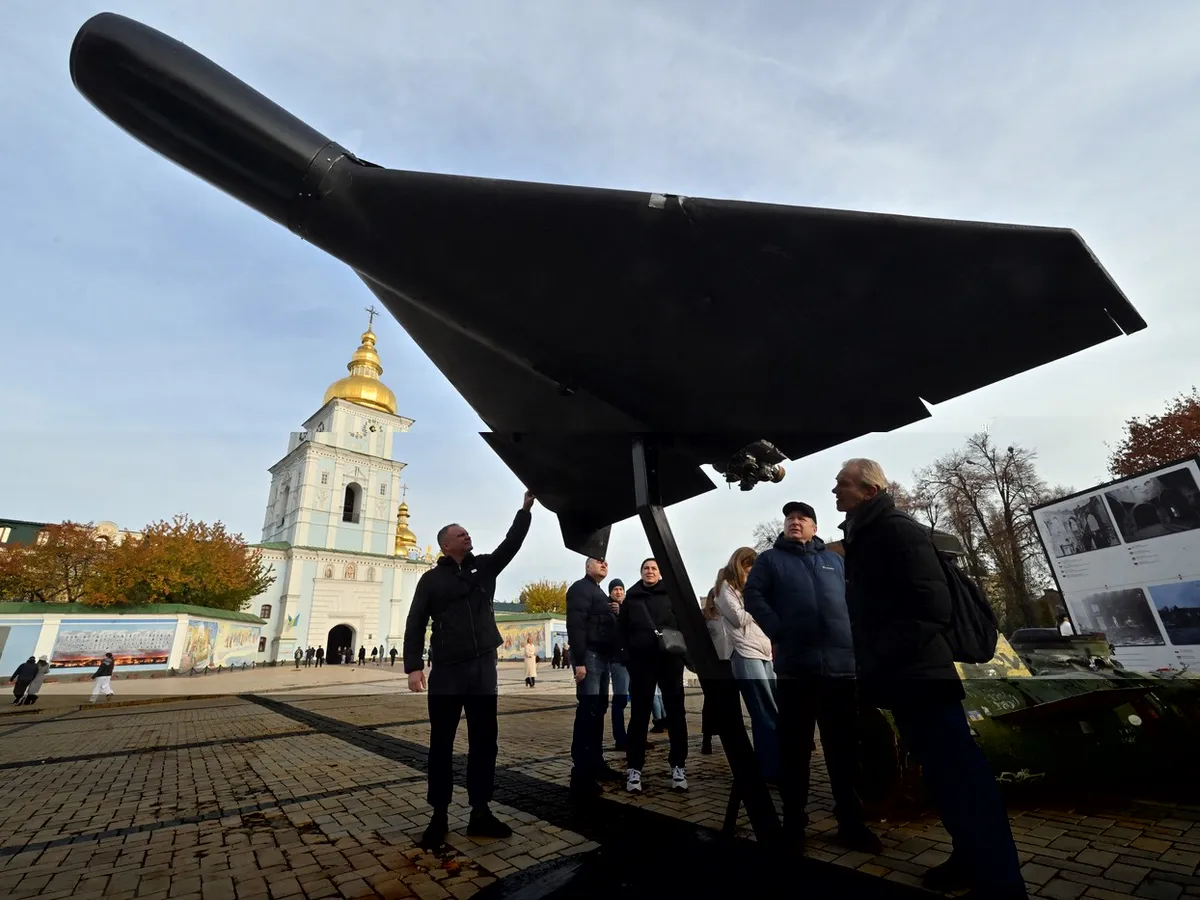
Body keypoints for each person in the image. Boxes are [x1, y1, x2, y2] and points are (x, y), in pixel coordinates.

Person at [834, 458, 1026, 900]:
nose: (835, 491)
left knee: (963, 779)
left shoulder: (896, 530)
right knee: (943, 779)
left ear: (869, 490)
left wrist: (884, 654)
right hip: (906, 676)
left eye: (841, 484)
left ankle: (1001, 884)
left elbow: (930, 604)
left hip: (923, 677)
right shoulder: (867, 533)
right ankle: (969, 859)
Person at [743, 503, 880, 854]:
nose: (794, 522)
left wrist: (856, 641)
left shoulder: (835, 561)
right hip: (796, 670)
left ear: (814, 527)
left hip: (840, 670)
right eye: (789, 518)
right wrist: (777, 630)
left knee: (844, 751)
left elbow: (855, 601)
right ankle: (793, 823)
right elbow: (753, 595)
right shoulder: (770, 560)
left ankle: (850, 822)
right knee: (795, 750)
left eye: (801, 518)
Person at [403, 490, 536, 849]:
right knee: (441, 744)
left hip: (481, 669)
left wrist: (524, 510)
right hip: (446, 669)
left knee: (484, 742)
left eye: (467, 533)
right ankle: (439, 815)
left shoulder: (485, 567)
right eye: (460, 534)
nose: (467, 537)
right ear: (446, 545)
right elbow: (415, 622)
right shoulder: (431, 580)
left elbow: (512, 544)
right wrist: (414, 667)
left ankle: (481, 811)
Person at [619, 558, 689, 794]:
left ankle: (678, 765)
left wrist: (685, 657)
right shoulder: (632, 597)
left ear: (660, 573)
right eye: (646, 568)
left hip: (670, 661)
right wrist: (627, 658)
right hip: (641, 662)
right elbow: (622, 630)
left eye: (654, 568)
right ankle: (634, 768)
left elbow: (685, 625)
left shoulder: (672, 594)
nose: (650, 571)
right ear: (641, 572)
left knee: (676, 713)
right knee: (639, 715)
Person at [712, 547, 780, 779]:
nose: (752, 575)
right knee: (763, 711)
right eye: (749, 570)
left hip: (763, 650)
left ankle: (768, 765)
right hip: (744, 652)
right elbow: (739, 618)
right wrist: (758, 604)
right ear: (740, 566)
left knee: (771, 711)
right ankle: (771, 767)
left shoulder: (749, 590)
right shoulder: (725, 588)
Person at [566, 557, 625, 796]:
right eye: (598, 562)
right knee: (588, 713)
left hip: (601, 657)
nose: (604, 565)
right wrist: (579, 661)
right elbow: (576, 625)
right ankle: (581, 774)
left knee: (598, 710)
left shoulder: (599, 592)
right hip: (589, 657)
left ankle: (596, 764)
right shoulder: (581, 588)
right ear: (587, 567)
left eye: (606, 563)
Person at [606, 579, 631, 752]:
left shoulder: (627, 607)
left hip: (632, 660)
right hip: (618, 660)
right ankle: (620, 738)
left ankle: (636, 736)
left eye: (621, 589)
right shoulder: (607, 609)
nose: (618, 592)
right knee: (620, 699)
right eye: (615, 589)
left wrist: (623, 612)